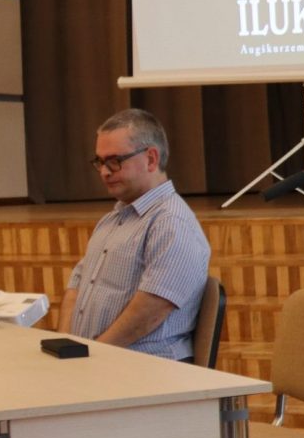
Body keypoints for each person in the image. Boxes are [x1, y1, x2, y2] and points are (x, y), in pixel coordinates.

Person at [56, 109, 211, 362]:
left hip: (148, 368)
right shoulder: (112, 220)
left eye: (115, 161)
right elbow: (77, 285)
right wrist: (66, 345)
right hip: (99, 361)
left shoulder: (170, 222)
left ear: (151, 159)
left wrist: (92, 356)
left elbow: (152, 309)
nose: (104, 172)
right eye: (100, 162)